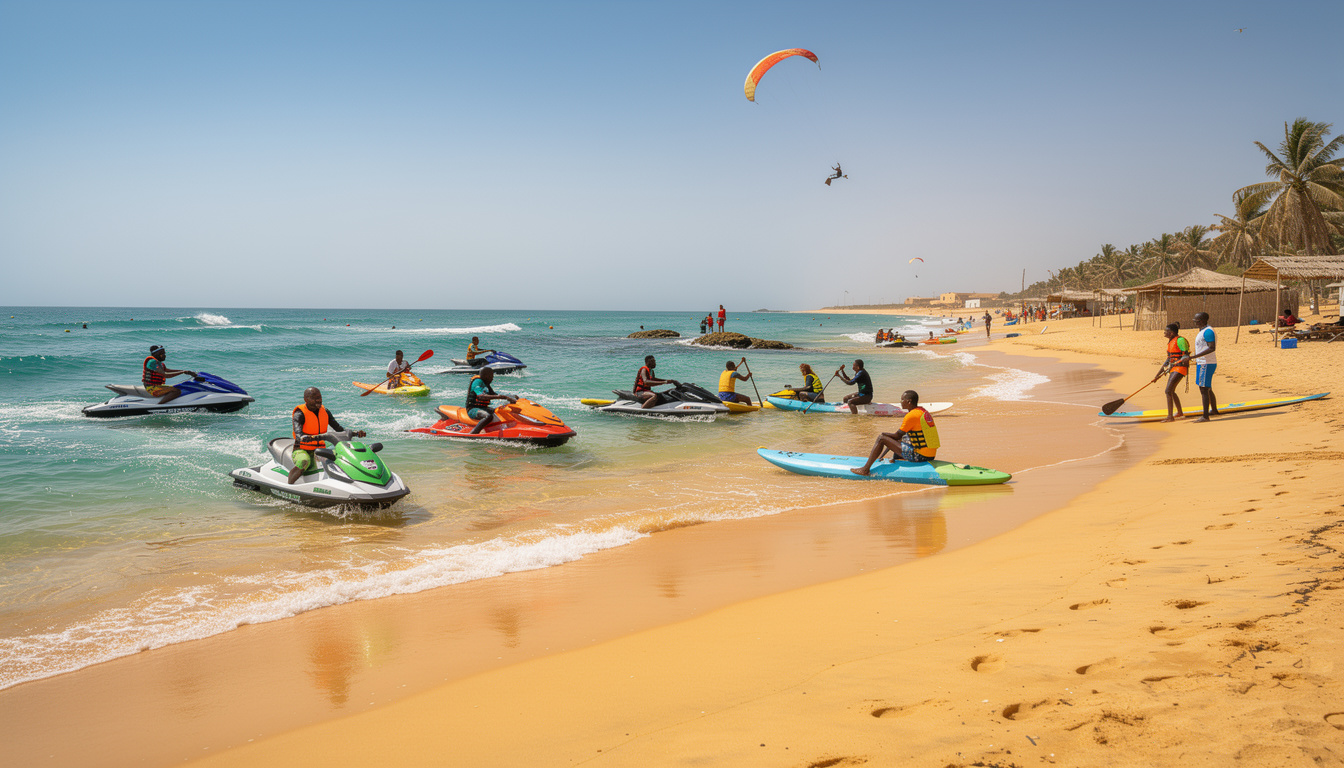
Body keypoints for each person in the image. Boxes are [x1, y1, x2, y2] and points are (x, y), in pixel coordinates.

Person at [851, 390, 940, 475]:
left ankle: (865, 470)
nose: (901, 402)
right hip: (930, 455)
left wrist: (883, 435)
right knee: (900, 439)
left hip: (920, 456)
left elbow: (896, 436)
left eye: (902, 400)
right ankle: (898, 461)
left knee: (881, 438)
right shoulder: (923, 412)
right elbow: (897, 439)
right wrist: (882, 455)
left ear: (909, 402)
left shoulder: (911, 416)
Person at [289, 387, 365, 484]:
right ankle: (289, 487)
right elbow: (298, 432)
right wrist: (303, 437)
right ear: (306, 400)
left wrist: (356, 433)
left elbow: (339, 429)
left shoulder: (325, 411)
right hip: (302, 449)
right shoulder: (299, 413)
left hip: (320, 449)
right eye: (314, 398)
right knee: (304, 461)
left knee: (338, 461)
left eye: (320, 397)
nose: (319, 400)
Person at [1154, 322, 1190, 422]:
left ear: (1172, 333)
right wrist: (1157, 375)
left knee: (1168, 391)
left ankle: (1170, 417)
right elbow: (1167, 361)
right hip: (1174, 368)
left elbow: (1186, 355)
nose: (1164, 333)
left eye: (1166, 331)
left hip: (1180, 368)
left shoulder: (1180, 340)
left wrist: (1179, 361)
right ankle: (1180, 412)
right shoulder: (1171, 342)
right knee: (1171, 391)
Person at [465, 367, 517, 434]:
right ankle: (472, 434)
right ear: (486, 376)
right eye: (491, 376)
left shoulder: (486, 384)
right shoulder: (477, 382)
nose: (492, 378)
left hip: (484, 408)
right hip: (472, 409)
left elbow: (494, 394)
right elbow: (481, 396)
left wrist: (511, 396)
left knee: (501, 411)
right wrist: (500, 397)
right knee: (488, 416)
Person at [1190, 312, 1219, 422]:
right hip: (1202, 362)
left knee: (1203, 389)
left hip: (1206, 363)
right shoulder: (1202, 331)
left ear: (1201, 320)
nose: (1194, 321)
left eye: (1196, 320)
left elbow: (1212, 348)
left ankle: (1205, 416)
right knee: (1207, 387)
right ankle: (1214, 410)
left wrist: (1194, 356)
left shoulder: (1208, 331)